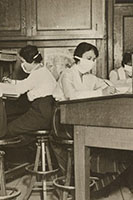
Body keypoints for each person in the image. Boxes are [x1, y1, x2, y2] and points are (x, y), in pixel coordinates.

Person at [52, 42, 132, 198]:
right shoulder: (67, 74)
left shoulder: (90, 77)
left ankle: (97, 185)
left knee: (109, 141)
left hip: (80, 118)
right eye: (89, 58)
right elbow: (71, 96)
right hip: (61, 119)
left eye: (94, 59)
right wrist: (101, 92)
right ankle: (88, 183)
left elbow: (107, 84)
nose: (92, 62)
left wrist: (117, 87)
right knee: (98, 140)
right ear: (78, 57)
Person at [0, 45, 56, 138]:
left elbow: (18, 90)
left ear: (32, 62)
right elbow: (26, 83)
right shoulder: (42, 70)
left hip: (40, 114)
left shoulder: (38, 74)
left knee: (7, 130)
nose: (22, 65)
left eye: (23, 61)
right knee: (10, 123)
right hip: (44, 111)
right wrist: (12, 82)